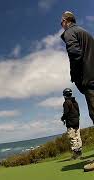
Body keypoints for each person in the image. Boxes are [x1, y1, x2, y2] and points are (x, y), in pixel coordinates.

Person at [60, 11, 94, 172]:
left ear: (66, 21)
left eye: (62, 23)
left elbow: (75, 54)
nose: (62, 25)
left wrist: (75, 76)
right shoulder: (85, 33)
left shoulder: (70, 32)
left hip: (89, 78)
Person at [61, 88, 82, 160]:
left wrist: (62, 118)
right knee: (78, 137)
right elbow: (78, 112)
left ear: (64, 95)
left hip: (70, 123)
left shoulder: (66, 102)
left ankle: (76, 155)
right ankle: (79, 153)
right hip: (77, 122)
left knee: (72, 138)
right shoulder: (75, 102)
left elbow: (66, 113)